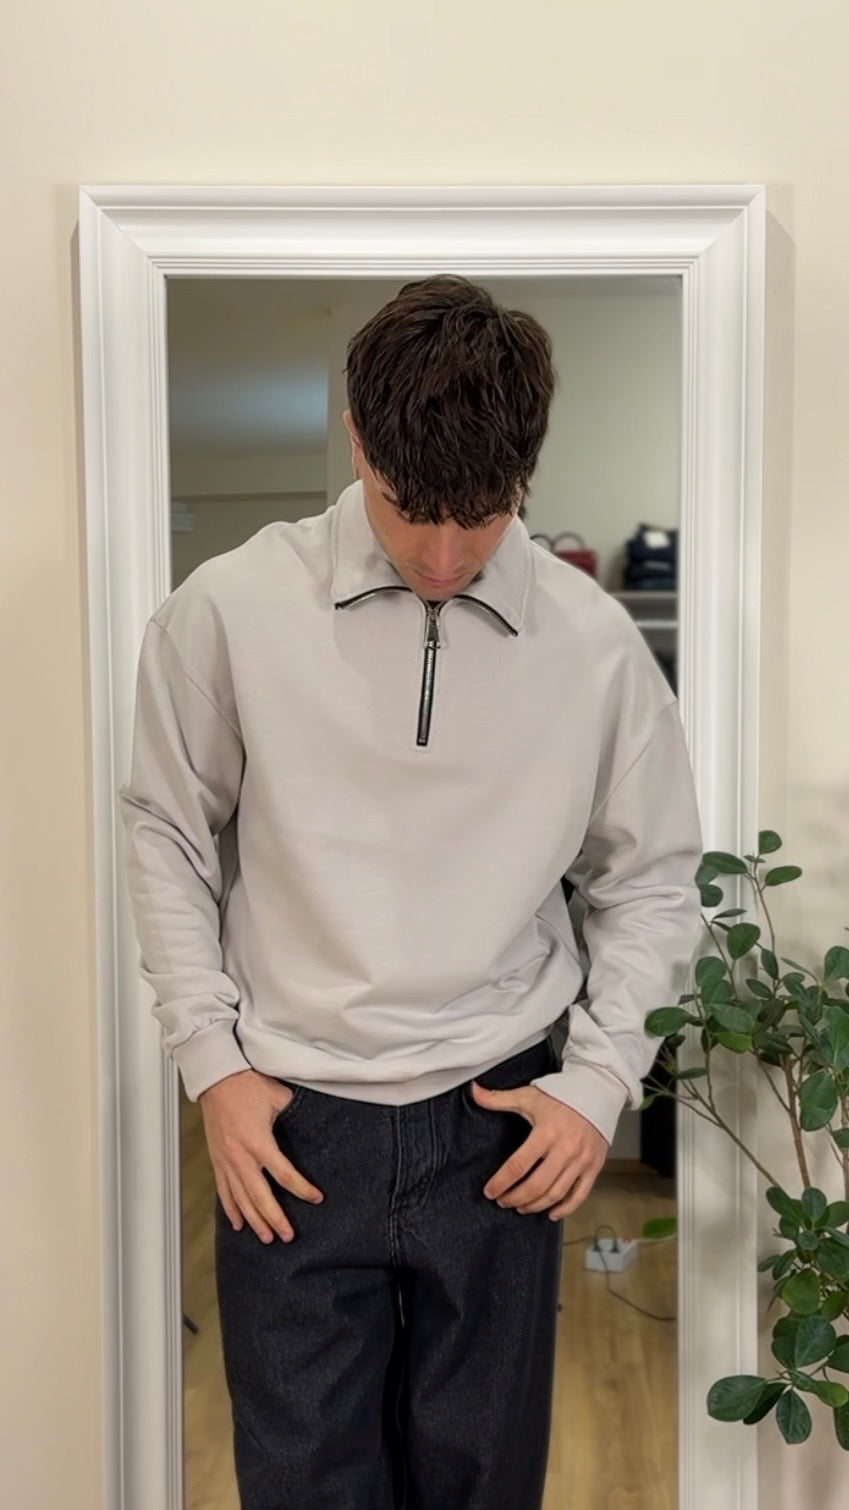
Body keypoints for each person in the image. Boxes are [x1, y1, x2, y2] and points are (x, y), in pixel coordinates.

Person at [117, 274, 704, 1510]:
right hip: (288, 1118)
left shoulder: (598, 648)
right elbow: (165, 832)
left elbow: (651, 879)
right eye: (409, 509)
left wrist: (601, 1082)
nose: (442, 558)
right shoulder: (225, 610)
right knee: (302, 1486)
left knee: (483, 1484)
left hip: (500, 1113)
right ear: (358, 442)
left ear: (527, 474)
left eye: (481, 517)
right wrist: (211, 1065)